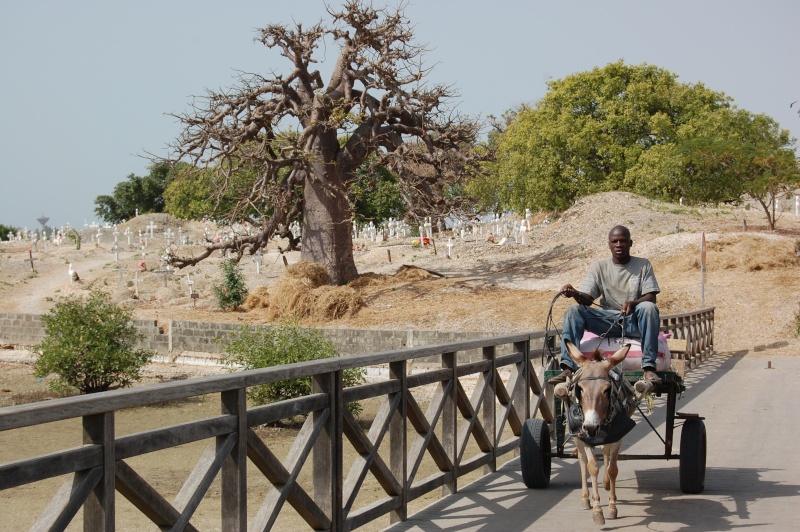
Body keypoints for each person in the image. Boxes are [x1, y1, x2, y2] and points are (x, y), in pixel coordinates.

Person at [548, 225, 663, 384]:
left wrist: (633, 303)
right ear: (609, 244)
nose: (619, 245)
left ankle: (649, 368)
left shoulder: (643, 265)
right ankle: (568, 367)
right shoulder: (599, 267)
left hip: (633, 321)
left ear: (630, 243)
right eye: (614, 241)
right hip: (607, 321)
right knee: (573, 311)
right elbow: (588, 300)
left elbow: (651, 296)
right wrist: (574, 293)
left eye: (623, 241)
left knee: (649, 307)